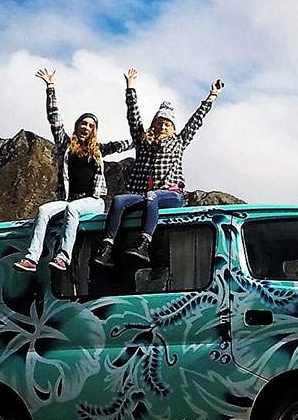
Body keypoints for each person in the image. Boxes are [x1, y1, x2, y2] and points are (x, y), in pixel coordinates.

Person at [94, 68, 223, 266]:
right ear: (153, 125)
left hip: (170, 195)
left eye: (167, 124)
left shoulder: (179, 141)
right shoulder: (143, 142)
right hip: (142, 195)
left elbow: (196, 121)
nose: (163, 127)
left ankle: (144, 242)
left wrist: (211, 96)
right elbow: (133, 117)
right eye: (159, 123)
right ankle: (107, 247)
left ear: (172, 127)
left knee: (152, 196)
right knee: (119, 200)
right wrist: (130, 88)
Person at [14, 69, 133, 273]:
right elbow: (54, 119)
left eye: (90, 125)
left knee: (73, 210)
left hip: (93, 201)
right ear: (77, 127)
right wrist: (50, 87)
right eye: (83, 124)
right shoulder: (65, 146)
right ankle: (32, 258)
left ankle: (63, 257)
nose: (86, 127)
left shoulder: (99, 150)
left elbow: (127, 143)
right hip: (69, 199)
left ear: (94, 131)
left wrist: (146, 137)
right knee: (44, 210)